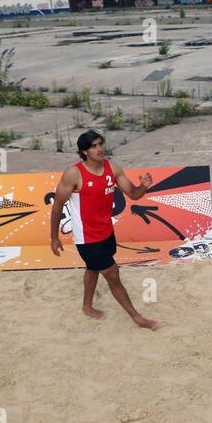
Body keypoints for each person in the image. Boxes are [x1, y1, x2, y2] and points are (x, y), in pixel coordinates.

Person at [50, 130, 158, 329]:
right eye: (93, 146)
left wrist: (144, 186)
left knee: (93, 269)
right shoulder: (74, 174)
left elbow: (134, 194)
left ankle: (87, 306)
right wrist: (54, 238)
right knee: (113, 276)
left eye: (100, 144)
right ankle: (137, 318)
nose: (99, 149)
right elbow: (57, 206)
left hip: (106, 232)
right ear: (84, 151)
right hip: (87, 238)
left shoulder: (112, 167)